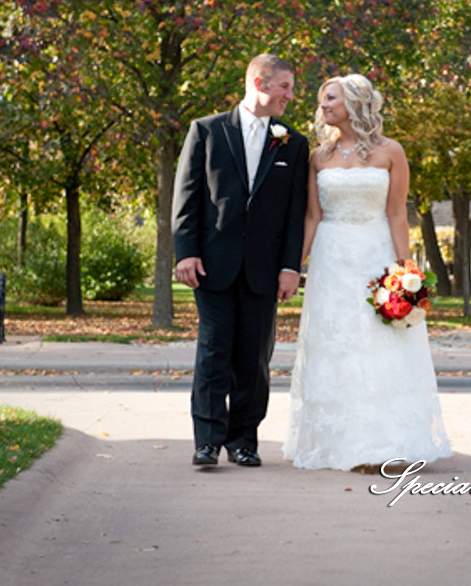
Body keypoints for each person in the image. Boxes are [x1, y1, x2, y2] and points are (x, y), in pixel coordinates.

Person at [284, 74, 451, 472]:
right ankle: (339, 443)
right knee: (336, 347)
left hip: (375, 255)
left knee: (379, 347)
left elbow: (396, 213)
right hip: (331, 260)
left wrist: (405, 273)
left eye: (330, 98)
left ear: (354, 102)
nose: (322, 106)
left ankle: (383, 442)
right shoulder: (319, 157)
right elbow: (312, 216)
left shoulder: (391, 152)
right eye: (322, 100)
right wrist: (294, 265)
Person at [172, 54, 309, 467]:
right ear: (259, 82)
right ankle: (207, 441)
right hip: (213, 264)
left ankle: (243, 441)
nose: (290, 95)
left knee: (254, 359)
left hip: (265, 270)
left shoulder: (293, 142)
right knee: (213, 353)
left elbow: (295, 212)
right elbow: (187, 195)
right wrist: (186, 251)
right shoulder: (206, 130)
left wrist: (291, 268)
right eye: (284, 86)